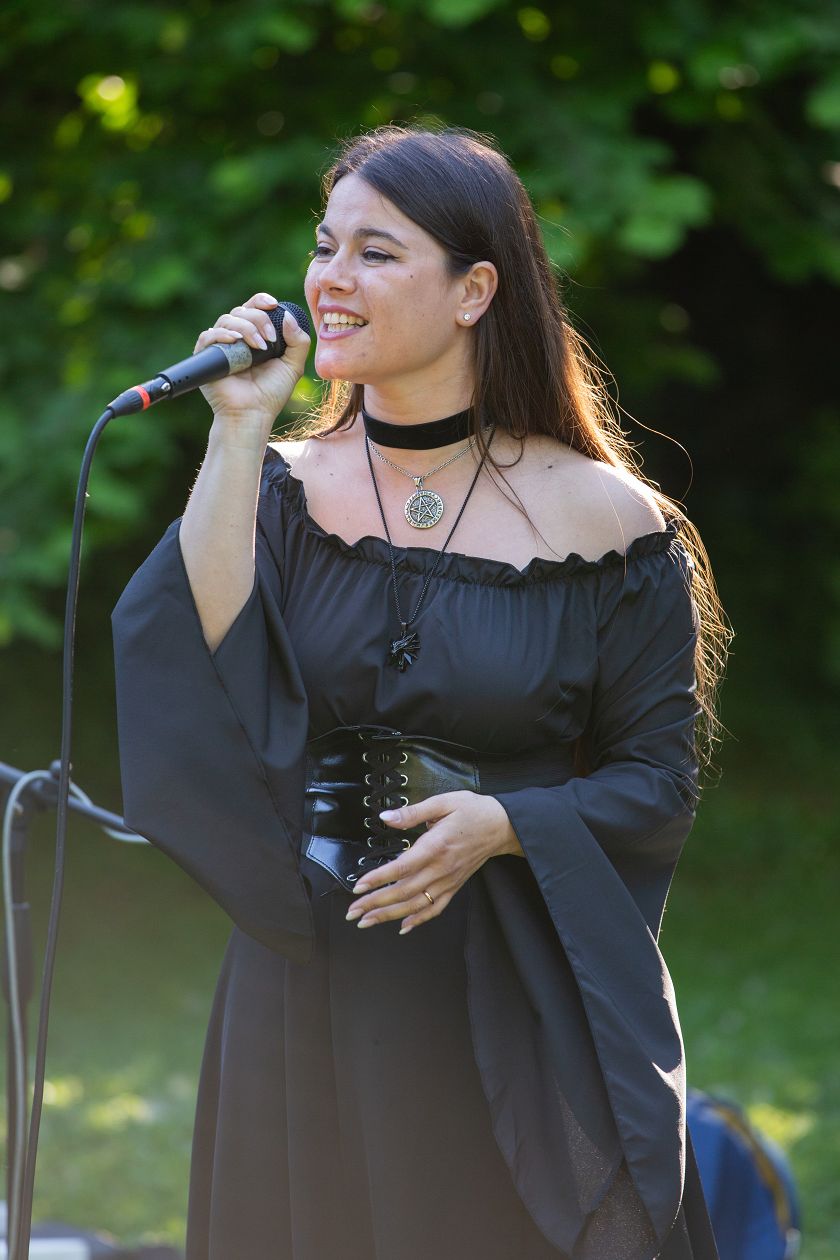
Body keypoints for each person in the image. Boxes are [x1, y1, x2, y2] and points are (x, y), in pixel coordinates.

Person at [111, 125, 731, 1260]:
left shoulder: (609, 522)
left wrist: (507, 823)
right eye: (324, 246)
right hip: (307, 982)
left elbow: (658, 785)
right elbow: (202, 663)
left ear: (473, 291)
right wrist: (241, 430)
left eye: (376, 252)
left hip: (508, 987)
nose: (330, 279)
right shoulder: (277, 485)